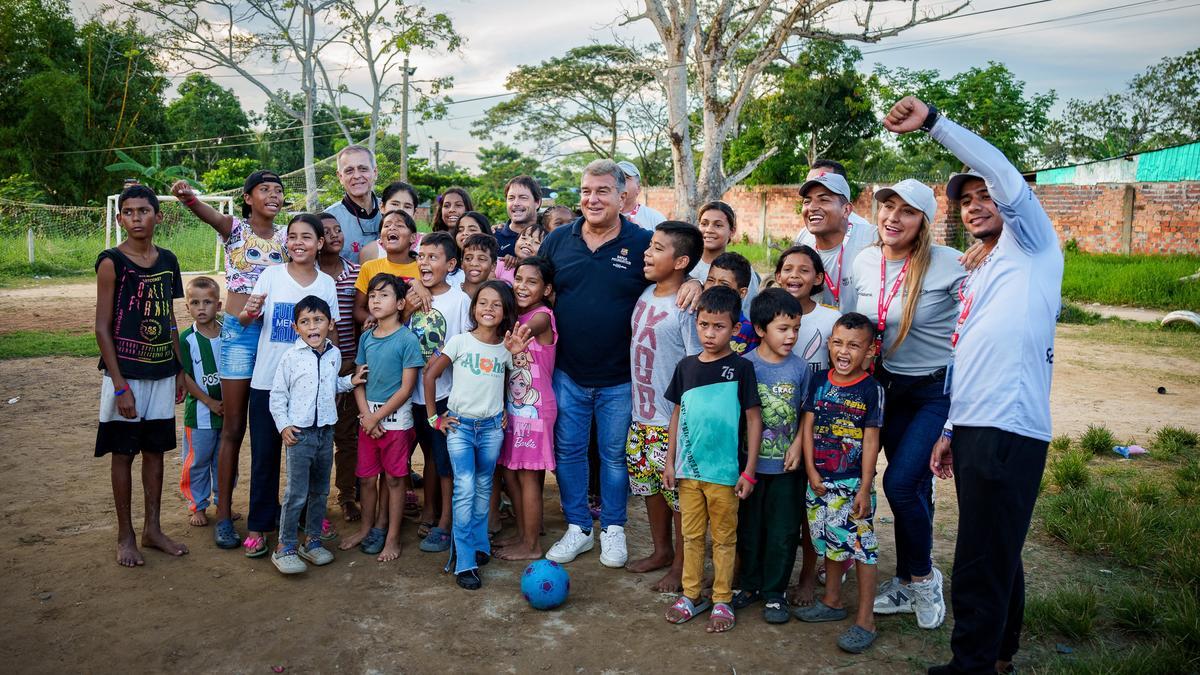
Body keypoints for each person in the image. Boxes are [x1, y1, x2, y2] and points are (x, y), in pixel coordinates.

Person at [883, 97, 1063, 675]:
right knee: (996, 545)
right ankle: (998, 655)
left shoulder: (1032, 243)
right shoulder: (983, 266)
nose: (976, 205)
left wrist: (935, 123)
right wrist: (953, 428)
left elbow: (1005, 173)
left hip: (1009, 425)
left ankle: (972, 664)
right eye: (966, 200)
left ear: (1012, 202)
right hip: (979, 423)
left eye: (986, 196)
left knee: (980, 553)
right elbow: (972, 351)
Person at [538, 159, 702, 567]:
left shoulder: (642, 242)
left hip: (620, 378)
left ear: (621, 196)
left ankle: (613, 528)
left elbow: (676, 268)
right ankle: (578, 527)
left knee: (614, 457)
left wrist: (697, 282)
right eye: (585, 191)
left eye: (602, 191)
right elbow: (533, 287)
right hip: (567, 372)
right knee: (570, 452)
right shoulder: (558, 241)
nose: (592, 199)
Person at [851, 178, 965, 631]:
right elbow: (856, 325)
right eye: (887, 207)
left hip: (933, 392)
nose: (893, 218)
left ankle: (924, 578)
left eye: (907, 211)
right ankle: (903, 580)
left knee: (900, 485)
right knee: (910, 488)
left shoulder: (951, 263)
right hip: (885, 388)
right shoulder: (865, 260)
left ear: (924, 221)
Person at [173, 172, 287, 550]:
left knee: (272, 426)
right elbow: (206, 214)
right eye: (264, 190)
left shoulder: (288, 236)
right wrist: (189, 198)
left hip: (275, 337)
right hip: (238, 336)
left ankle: (268, 508)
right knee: (233, 425)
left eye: (278, 190)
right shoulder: (235, 229)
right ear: (248, 197)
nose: (273, 194)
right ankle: (223, 517)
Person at [95, 185, 189, 567]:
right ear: (120, 219)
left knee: (155, 451)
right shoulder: (111, 262)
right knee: (123, 453)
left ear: (158, 216)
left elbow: (169, 319)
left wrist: (179, 368)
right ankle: (126, 535)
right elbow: (102, 328)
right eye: (129, 212)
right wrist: (120, 386)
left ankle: (152, 528)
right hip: (126, 375)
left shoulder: (168, 261)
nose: (137, 218)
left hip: (162, 373)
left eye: (144, 211)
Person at [239, 214, 340, 558]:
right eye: (293, 236)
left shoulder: (325, 284)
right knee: (265, 457)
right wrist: (248, 312)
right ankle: (259, 524)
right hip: (269, 383)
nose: (299, 242)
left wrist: (337, 372)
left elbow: (335, 333)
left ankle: (309, 522)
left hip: (310, 390)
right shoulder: (271, 275)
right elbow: (244, 318)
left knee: (310, 462)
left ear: (319, 243)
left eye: (307, 237)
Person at [662, 285, 762, 633]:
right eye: (703, 325)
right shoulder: (686, 367)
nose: (709, 333)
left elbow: (753, 419)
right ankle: (691, 594)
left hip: (725, 475)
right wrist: (669, 460)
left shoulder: (741, 368)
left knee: (723, 538)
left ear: (735, 329)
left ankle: (722, 599)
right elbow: (677, 414)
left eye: (718, 326)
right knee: (690, 537)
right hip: (688, 473)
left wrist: (749, 472)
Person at [423, 281, 532, 589]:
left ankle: (479, 545)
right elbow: (430, 374)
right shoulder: (460, 341)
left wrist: (518, 359)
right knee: (466, 487)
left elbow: (518, 381)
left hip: (491, 428)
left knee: (484, 488)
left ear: (506, 311)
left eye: (496, 304)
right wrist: (434, 417)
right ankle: (465, 561)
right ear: (473, 309)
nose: (488, 308)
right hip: (459, 427)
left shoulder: (505, 347)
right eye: (482, 302)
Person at [796, 312, 884, 655]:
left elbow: (872, 441)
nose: (843, 352)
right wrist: (811, 471)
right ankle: (832, 601)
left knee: (862, 549)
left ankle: (866, 621)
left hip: (851, 486)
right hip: (819, 482)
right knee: (830, 542)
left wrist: (864, 487)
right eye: (837, 343)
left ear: (869, 351)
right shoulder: (819, 382)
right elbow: (808, 428)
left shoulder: (871, 390)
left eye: (853, 345)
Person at [624, 221, 703, 592]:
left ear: (680, 261)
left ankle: (681, 566)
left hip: (671, 421)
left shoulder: (687, 306)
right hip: (640, 416)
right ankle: (661, 551)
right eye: (649, 246)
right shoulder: (645, 294)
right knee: (649, 489)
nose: (647, 253)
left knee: (678, 499)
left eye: (657, 248)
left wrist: (684, 419)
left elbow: (695, 363)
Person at [267, 296, 364, 574]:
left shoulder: (333, 354)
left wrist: (350, 382)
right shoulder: (290, 357)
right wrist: (284, 425)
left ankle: (311, 541)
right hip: (299, 435)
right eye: (305, 322)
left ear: (330, 323)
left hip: (325, 433)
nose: (313, 326)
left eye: (318, 320)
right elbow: (277, 396)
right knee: (296, 492)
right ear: (296, 328)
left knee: (320, 491)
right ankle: (284, 546)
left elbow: (332, 383)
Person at [734, 288, 811, 623]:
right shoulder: (744, 366)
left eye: (795, 328)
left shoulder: (801, 369)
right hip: (749, 468)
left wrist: (796, 444)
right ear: (761, 329)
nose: (791, 336)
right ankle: (749, 585)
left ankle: (776, 593)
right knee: (749, 528)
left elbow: (806, 414)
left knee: (782, 532)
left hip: (786, 469)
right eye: (783, 328)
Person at [339, 274, 424, 561]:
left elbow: (406, 388)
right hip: (368, 419)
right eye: (372, 294)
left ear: (401, 303)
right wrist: (366, 416)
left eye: (384, 295)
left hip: (396, 423)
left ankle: (392, 537)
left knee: (395, 480)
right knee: (365, 480)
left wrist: (377, 418)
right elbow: (358, 379)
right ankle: (366, 529)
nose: (375, 299)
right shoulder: (366, 337)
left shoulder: (407, 339)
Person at [407, 232, 472, 553]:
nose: (424, 262)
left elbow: (465, 347)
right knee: (424, 455)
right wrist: (413, 294)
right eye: (421, 256)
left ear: (451, 264)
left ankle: (445, 521)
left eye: (433, 257)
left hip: (446, 395)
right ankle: (428, 511)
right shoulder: (410, 293)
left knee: (444, 461)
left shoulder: (460, 300)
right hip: (410, 394)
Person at [494, 256, 558, 561]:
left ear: (546, 289)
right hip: (514, 410)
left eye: (532, 282)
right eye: (518, 279)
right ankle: (524, 535)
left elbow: (529, 327)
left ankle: (531, 545)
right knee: (511, 471)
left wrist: (514, 330)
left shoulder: (543, 316)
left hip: (535, 413)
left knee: (530, 476)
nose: (522, 286)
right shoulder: (514, 316)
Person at [316, 212, 363, 522]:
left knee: (347, 437)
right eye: (327, 231)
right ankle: (312, 499)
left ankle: (347, 495)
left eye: (338, 229)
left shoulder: (357, 273)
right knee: (316, 437)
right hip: (317, 369)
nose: (335, 235)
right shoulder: (309, 274)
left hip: (349, 365)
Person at [794, 165, 878, 313]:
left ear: (846, 210)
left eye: (824, 200)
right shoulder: (803, 240)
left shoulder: (872, 238)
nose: (812, 207)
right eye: (807, 201)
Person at [178, 276, 226, 527]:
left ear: (218, 306)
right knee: (198, 461)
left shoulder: (227, 334)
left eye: (207, 302)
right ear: (187, 307)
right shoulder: (186, 339)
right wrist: (209, 401)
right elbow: (184, 376)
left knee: (223, 459)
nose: (201, 308)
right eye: (195, 303)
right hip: (200, 414)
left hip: (227, 413)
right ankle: (197, 505)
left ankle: (223, 503)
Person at [774, 245, 841, 371]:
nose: (794, 275)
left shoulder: (832, 318)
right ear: (778, 276)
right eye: (788, 269)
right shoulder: (767, 315)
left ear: (818, 278)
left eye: (804, 270)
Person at [692, 200, 760, 315]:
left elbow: (748, 313)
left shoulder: (741, 269)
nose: (709, 230)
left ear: (732, 231)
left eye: (718, 225)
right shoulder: (687, 264)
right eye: (704, 224)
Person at [353, 210, 419, 326]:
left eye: (399, 225)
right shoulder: (369, 267)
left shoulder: (422, 268)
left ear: (413, 237)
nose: (392, 228)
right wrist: (372, 318)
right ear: (381, 239)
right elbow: (358, 309)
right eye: (387, 225)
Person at [325, 145, 381, 263]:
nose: (356, 176)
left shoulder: (391, 209)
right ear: (340, 177)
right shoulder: (328, 218)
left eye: (363, 169)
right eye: (349, 171)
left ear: (375, 172)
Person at [702, 252, 761, 355]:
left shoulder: (748, 330)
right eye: (710, 280)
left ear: (742, 292)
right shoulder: (695, 318)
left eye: (724, 284)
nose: (714, 287)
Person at [495, 175, 542, 257]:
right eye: (511, 198)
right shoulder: (493, 238)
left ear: (537, 203)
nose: (516, 203)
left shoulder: (549, 237)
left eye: (523, 198)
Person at [617, 160, 666, 230]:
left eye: (626, 178)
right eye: (617, 178)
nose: (619, 182)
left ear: (638, 188)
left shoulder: (656, 219)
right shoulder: (602, 216)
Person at [460, 233, 498, 299]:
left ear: (493, 266)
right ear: (462, 263)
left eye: (482, 259)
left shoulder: (497, 298)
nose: (474, 263)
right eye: (468, 258)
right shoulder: (450, 294)